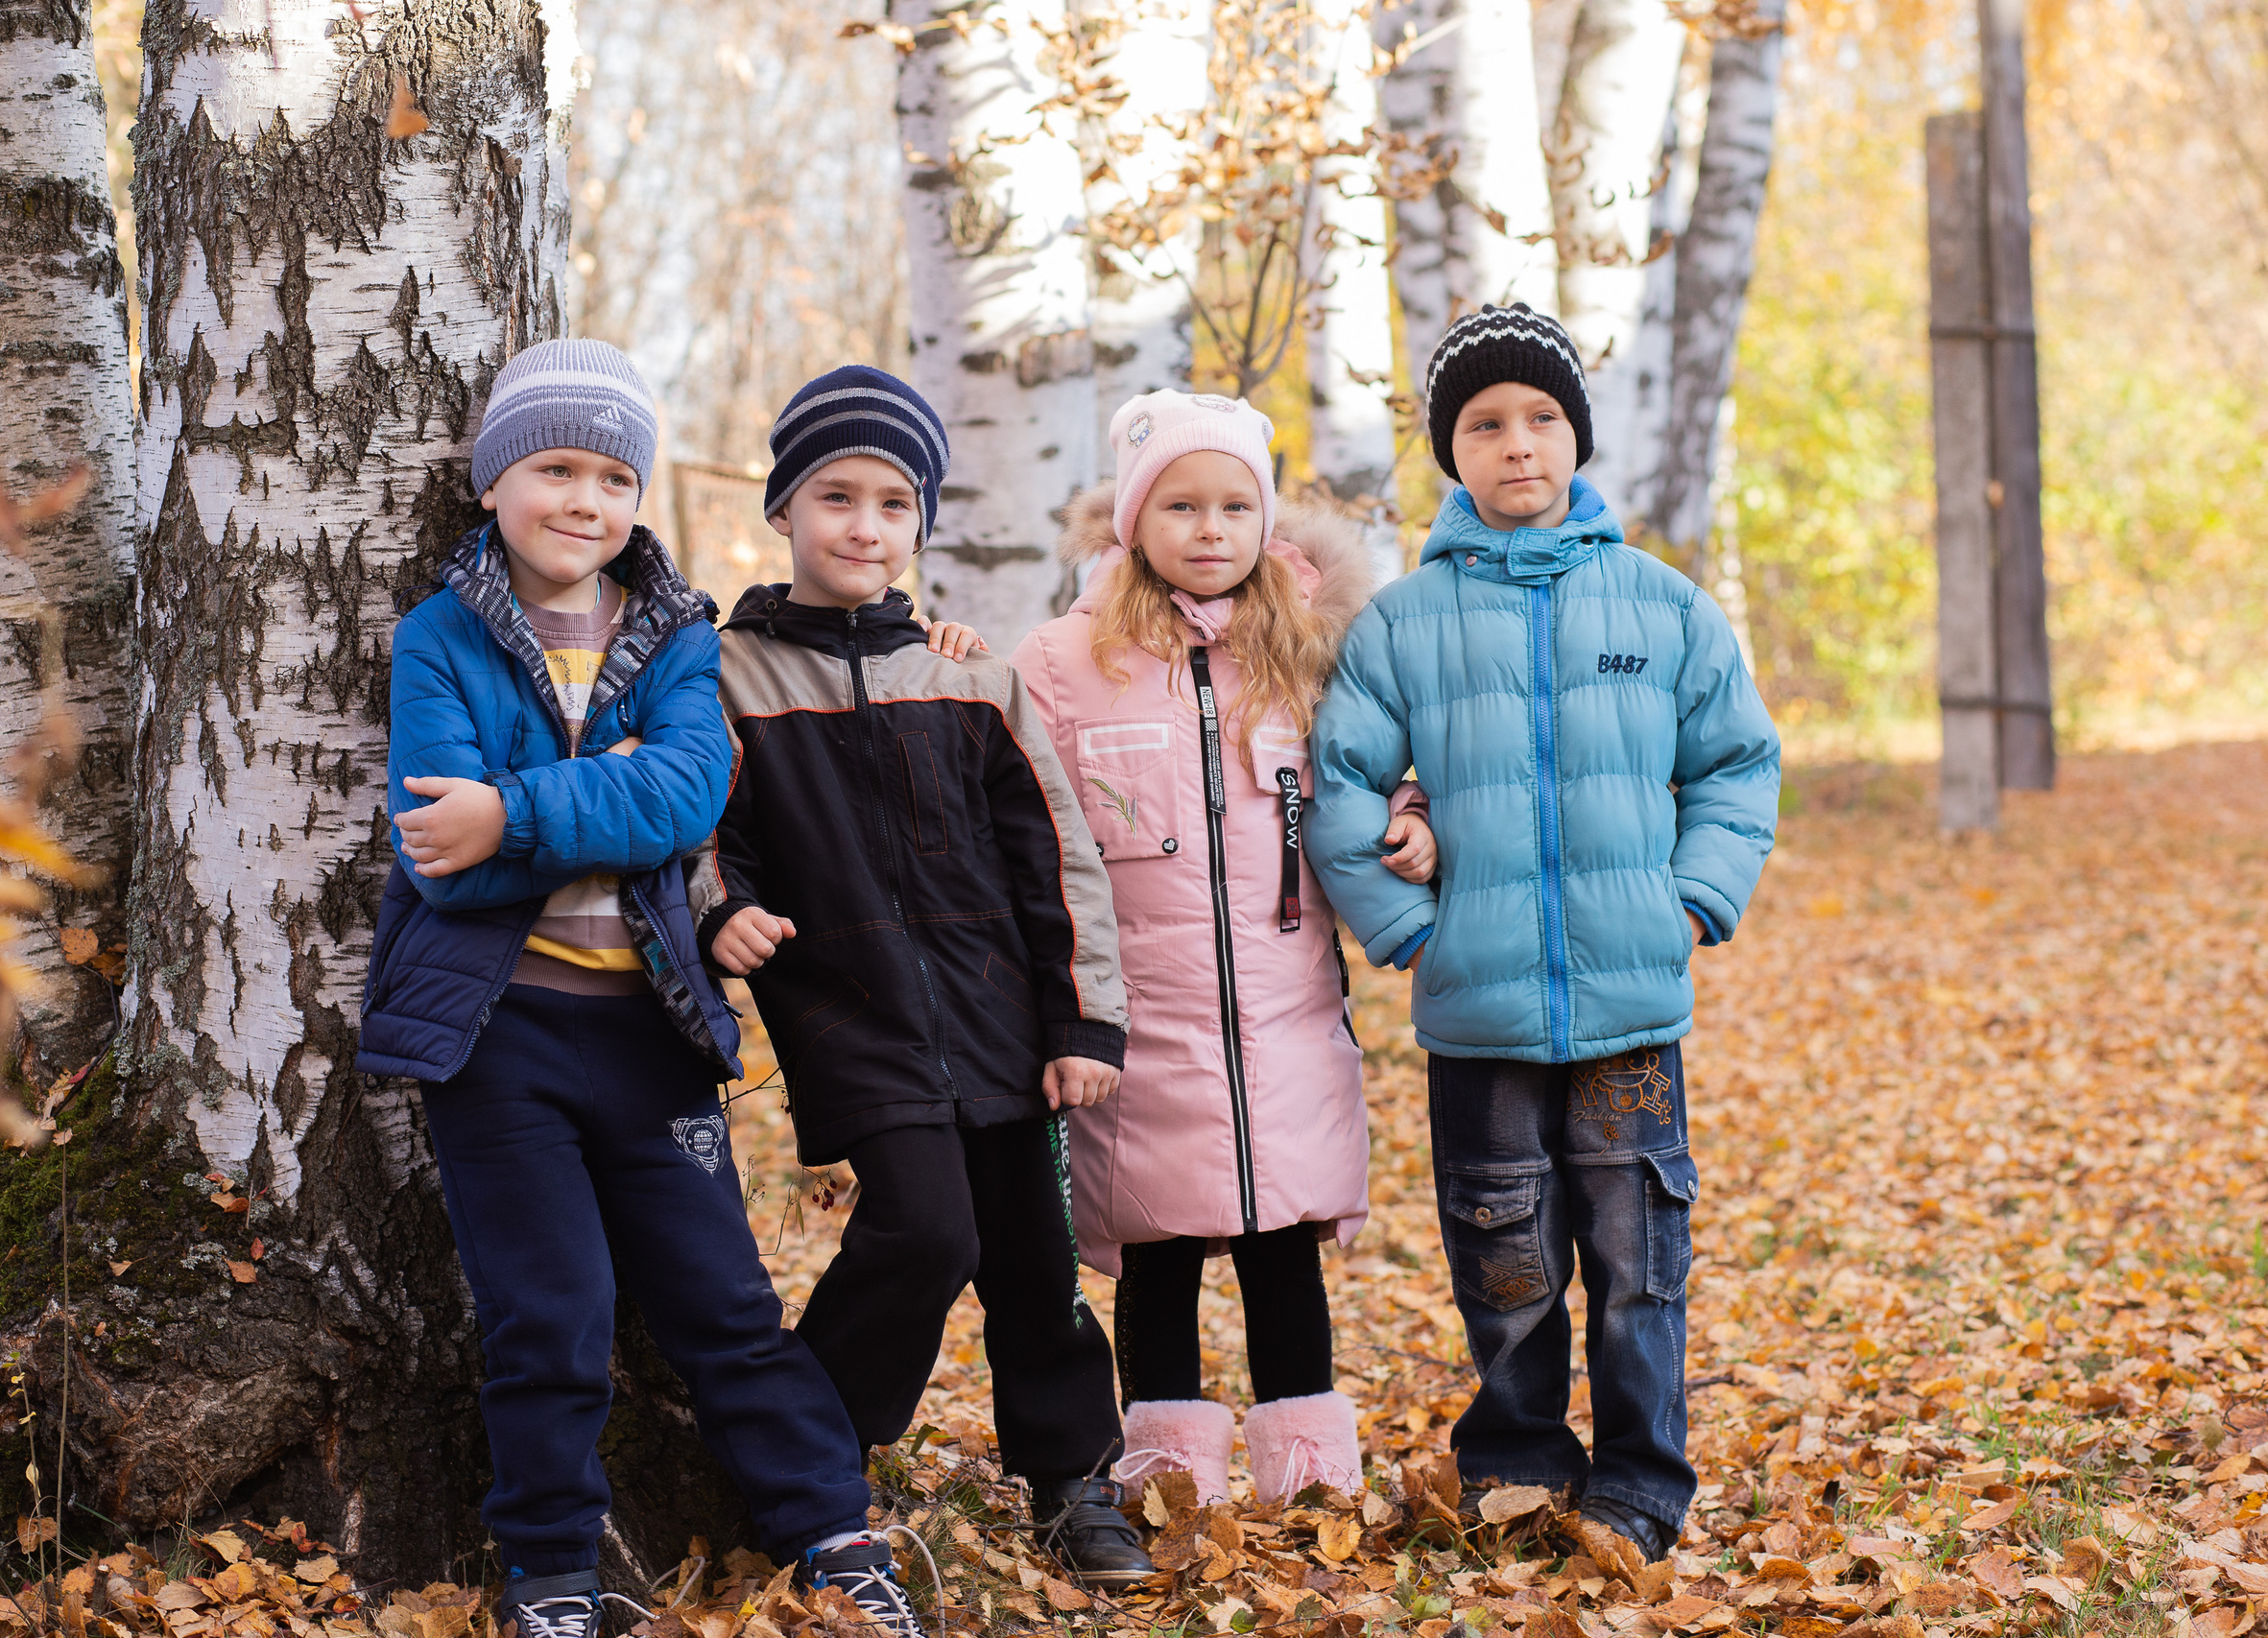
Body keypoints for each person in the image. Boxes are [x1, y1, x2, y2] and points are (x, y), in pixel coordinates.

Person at [356, 341, 928, 1638]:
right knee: (550, 1316)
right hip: (497, 1039)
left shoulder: (674, 632)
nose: (586, 500)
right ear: (494, 480)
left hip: (651, 1028)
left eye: (615, 477)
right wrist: (593, 796)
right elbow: (442, 858)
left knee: (725, 1306)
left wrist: (512, 810)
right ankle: (552, 1567)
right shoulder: (441, 636)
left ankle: (834, 1531)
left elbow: (683, 796)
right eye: (556, 469)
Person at [1305, 305, 1781, 1565]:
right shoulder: (1401, 622)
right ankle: (1517, 1467)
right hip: (1478, 1011)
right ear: (1449, 453)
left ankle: (1637, 1486)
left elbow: (1737, 763)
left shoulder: (1662, 606)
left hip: (1630, 1007)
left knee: (1637, 1259)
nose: (1516, 443)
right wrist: (1408, 924)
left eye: (1540, 417)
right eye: (1483, 424)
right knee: (1503, 1255)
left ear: (1576, 435)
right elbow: (1338, 786)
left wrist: (1693, 897)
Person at [692, 366, 1153, 1588]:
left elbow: (1057, 860)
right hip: (853, 1016)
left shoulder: (970, 680)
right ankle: (803, 1458)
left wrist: (1084, 1023)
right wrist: (720, 908)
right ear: (782, 510)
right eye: (835, 497)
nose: (865, 526)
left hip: (1003, 1021)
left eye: (893, 504)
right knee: (925, 1231)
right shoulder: (726, 676)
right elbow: (698, 827)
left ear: (921, 527)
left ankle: (1073, 1481)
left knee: (1035, 1263)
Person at [1009, 391, 1437, 1507]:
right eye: (1182, 505)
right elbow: (1020, 821)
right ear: (1134, 522)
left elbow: (1372, 769)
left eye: (1235, 506)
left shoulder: (1309, 650)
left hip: (1287, 1014)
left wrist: (1411, 814)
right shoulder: (1063, 661)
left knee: (1282, 1242)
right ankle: (1167, 1474)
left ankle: (1309, 1473)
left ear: (1265, 518)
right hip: (1141, 1022)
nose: (1210, 529)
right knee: (1155, 1246)